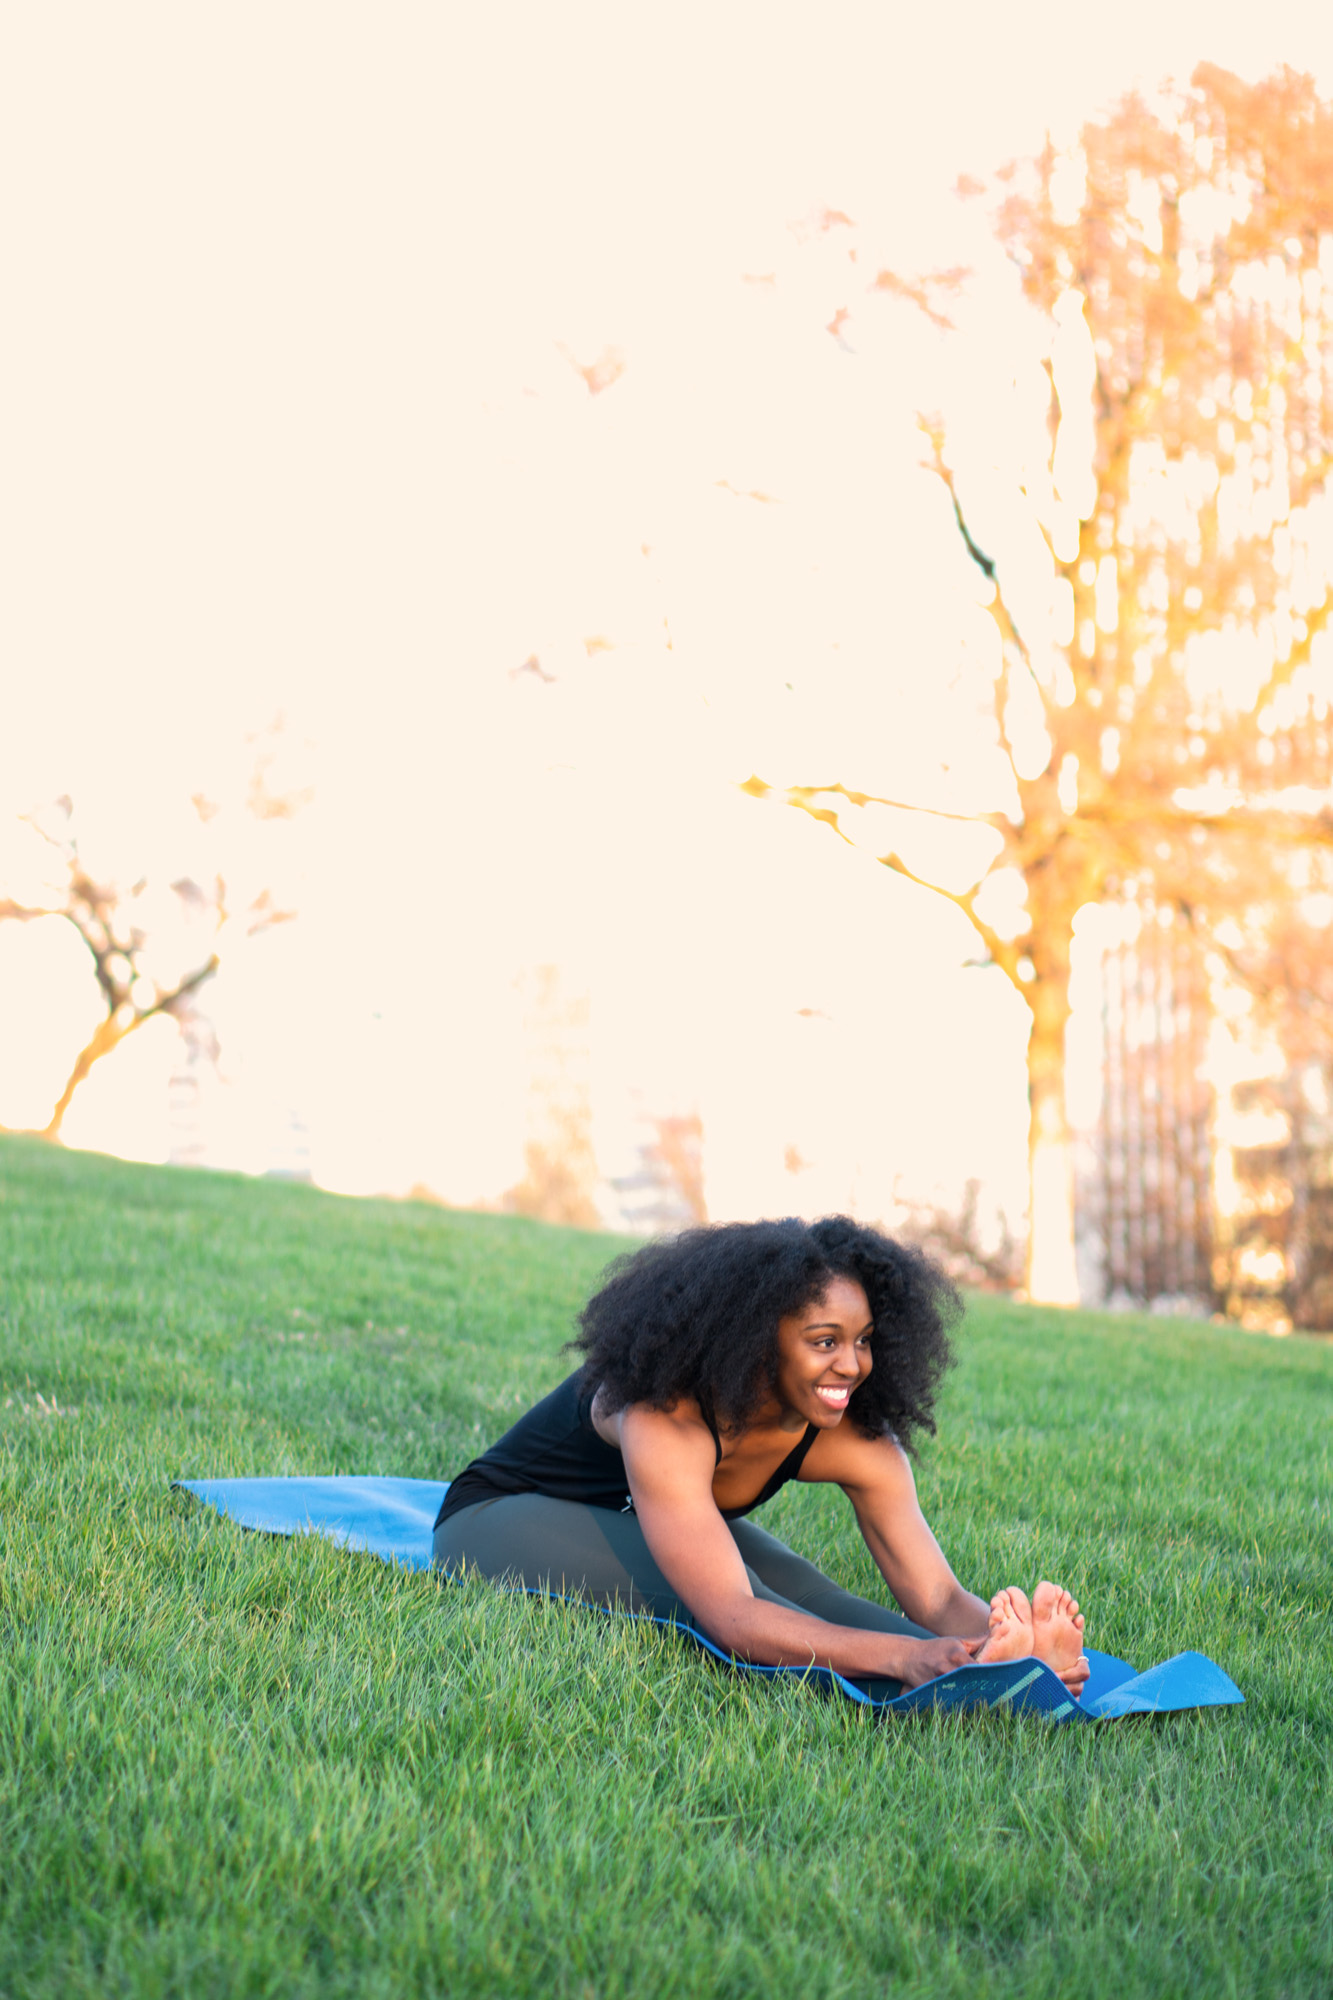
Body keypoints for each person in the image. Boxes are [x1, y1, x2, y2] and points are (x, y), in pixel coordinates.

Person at [433, 1216, 1089, 1700]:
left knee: (815, 1593)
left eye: (862, 1341)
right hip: (503, 1514)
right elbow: (733, 1617)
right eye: (823, 1340)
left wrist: (997, 1635)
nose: (851, 1365)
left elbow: (937, 1593)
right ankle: (958, 1671)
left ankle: (1003, 1663)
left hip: (649, 1510)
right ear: (751, 1337)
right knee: (744, 1603)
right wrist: (905, 1660)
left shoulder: (855, 1439)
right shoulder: (667, 1417)